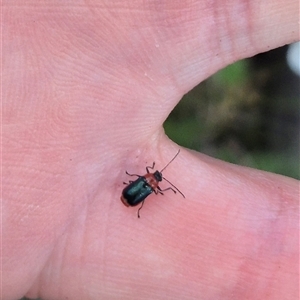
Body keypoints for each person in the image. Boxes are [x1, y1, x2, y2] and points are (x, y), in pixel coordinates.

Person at [3, 1, 299, 299]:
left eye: (154, 177)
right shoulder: (148, 183)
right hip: (128, 199)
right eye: (154, 177)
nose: (153, 177)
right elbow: (138, 183)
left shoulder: (146, 183)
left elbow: (137, 184)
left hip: (129, 199)